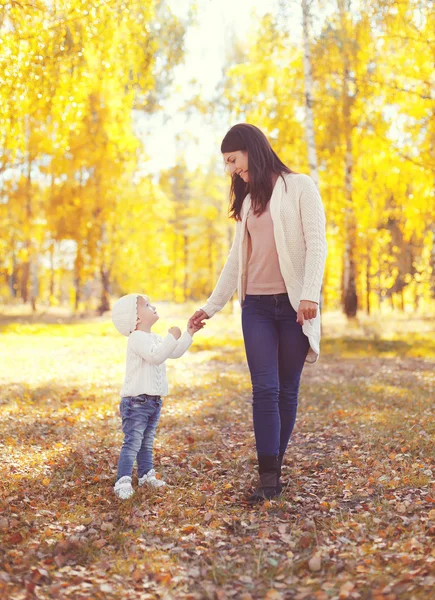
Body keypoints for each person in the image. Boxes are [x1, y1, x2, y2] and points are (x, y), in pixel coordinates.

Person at [189, 123, 327, 504]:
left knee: (286, 389)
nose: (231, 169)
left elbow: (317, 243)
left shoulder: (300, 187)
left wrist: (310, 294)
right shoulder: (249, 201)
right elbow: (237, 260)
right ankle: (268, 478)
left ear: (251, 149)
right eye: (227, 164)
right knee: (264, 388)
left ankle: (274, 466)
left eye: (233, 160)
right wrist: (210, 307)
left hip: (296, 307)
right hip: (257, 308)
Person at [112, 293, 202, 499]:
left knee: (147, 441)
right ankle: (122, 480)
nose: (153, 307)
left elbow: (174, 352)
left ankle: (145, 474)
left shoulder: (154, 338)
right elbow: (156, 356)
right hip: (136, 402)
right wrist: (172, 336)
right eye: (146, 305)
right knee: (133, 441)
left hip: (153, 401)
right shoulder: (136, 338)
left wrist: (188, 333)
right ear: (135, 318)